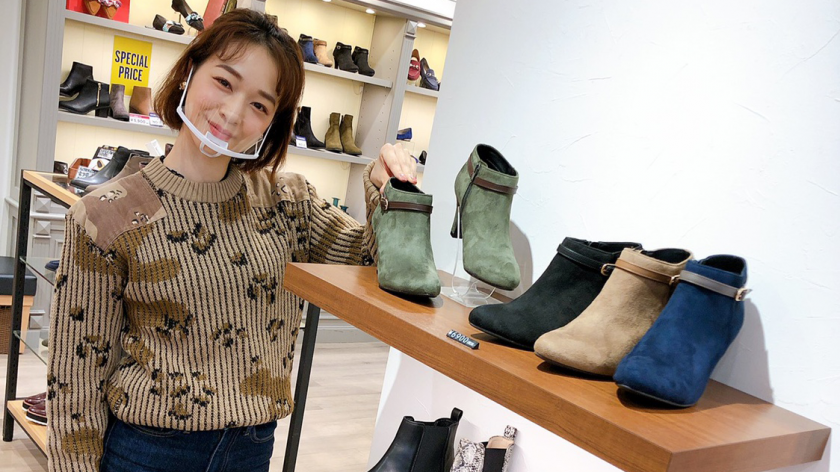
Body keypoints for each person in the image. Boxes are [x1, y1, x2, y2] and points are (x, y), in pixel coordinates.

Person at [46, 9, 416, 472]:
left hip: (251, 448)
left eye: (260, 105)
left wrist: (386, 190)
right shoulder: (105, 215)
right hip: (148, 451)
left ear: (273, 123)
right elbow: (75, 379)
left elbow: (373, 264)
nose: (234, 113)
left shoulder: (289, 201)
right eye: (224, 82)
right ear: (189, 72)